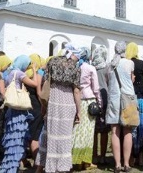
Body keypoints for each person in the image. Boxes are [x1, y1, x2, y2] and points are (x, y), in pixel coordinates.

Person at [39, 44, 81, 173]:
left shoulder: (52, 61)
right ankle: (62, 166)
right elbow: (76, 91)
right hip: (68, 101)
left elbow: (44, 80)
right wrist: (79, 111)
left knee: (51, 133)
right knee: (65, 135)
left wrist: (43, 104)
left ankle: (48, 166)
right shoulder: (75, 67)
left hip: (54, 100)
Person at [0, 55, 38, 173]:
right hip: (19, 110)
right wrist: (34, 70)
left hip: (11, 110)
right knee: (18, 138)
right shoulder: (19, 74)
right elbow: (34, 84)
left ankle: (10, 165)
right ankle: (12, 167)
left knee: (12, 137)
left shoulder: (10, 73)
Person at [106, 41, 135, 173]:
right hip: (127, 98)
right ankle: (126, 164)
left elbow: (108, 81)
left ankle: (117, 164)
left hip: (113, 98)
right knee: (127, 131)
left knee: (115, 132)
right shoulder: (129, 63)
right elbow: (130, 79)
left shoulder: (110, 64)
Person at [72, 47, 101, 171]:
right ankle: (86, 161)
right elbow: (96, 88)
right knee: (88, 132)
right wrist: (100, 103)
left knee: (77, 131)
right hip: (89, 101)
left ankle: (76, 160)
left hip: (77, 101)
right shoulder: (90, 68)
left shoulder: (75, 68)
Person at [125, 42, 143, 166]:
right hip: (141, 100)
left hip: (128, 99)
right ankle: (140, 157)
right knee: (141, 129)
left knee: (130, 129)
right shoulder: (140, 63)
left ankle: (130, 158)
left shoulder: (125, 63)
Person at [91, 46, 110, 166]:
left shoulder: (91, 66)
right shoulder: (107, 67)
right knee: (104, 130)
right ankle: (102, 156)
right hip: (104, 98)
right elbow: (109, 81)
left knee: (93, 130)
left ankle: (94, 156)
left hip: (93, 99)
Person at [25, 54, 44, 167]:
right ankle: (37, 162)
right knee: (35, 135)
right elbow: (39, 92)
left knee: (28, 134)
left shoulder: (24, 74)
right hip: (36, 106)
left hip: (27, 106)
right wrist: (44, 105)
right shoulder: (36, 75)